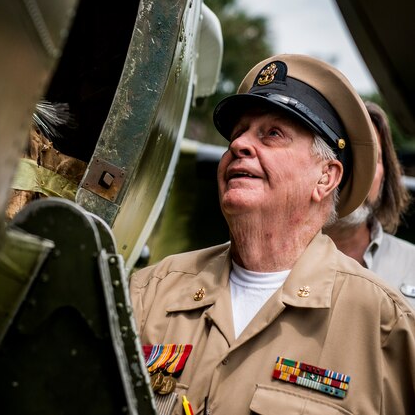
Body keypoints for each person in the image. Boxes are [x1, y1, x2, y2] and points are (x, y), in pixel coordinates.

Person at [130, 54, 415, 415]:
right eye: (237, 134)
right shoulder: (149, 293)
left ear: (326, 177)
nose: (238, 145)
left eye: (272, 134)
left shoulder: (384, 326)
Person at [324, 101, 415, 306]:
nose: (359, 173)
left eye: (373, 159)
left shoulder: (412, 264)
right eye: (348, 156)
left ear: (386, 176)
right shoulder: (275, 262)